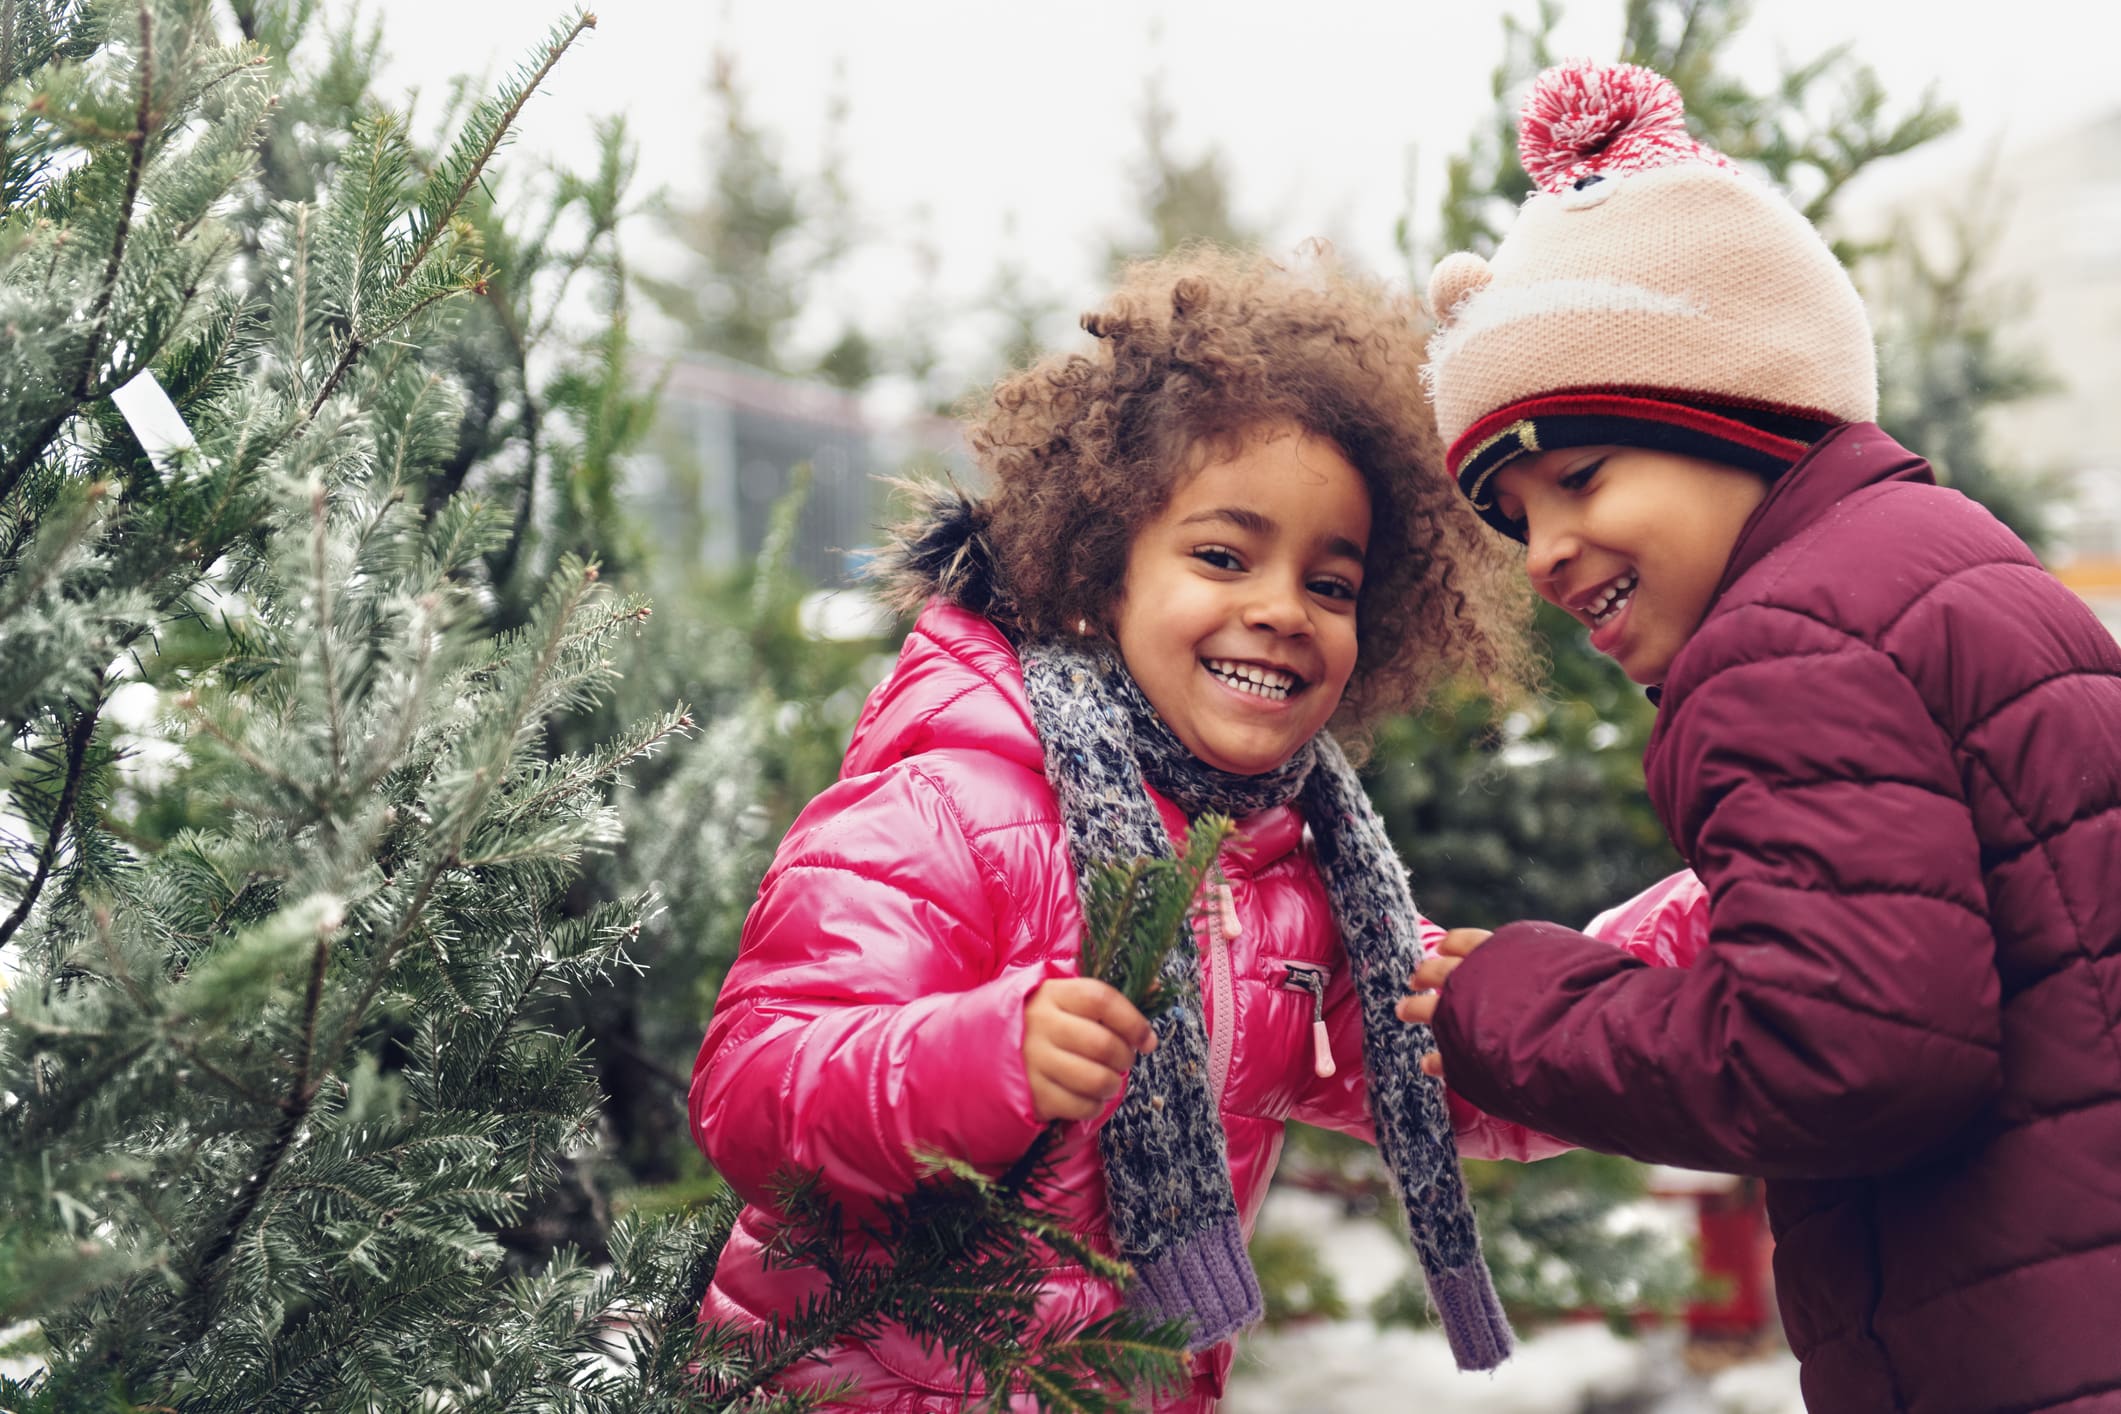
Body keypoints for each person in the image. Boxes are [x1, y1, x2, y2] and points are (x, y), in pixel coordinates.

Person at [688, 247, 1701, 1411]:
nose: (1279, 608)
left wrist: (1725, 908)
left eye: (1330, 584)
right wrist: (981, 1055)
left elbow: (1462, 1063)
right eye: (1223, 556)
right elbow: (753, 1091)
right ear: (1098, 570)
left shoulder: (1292, 874)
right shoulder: (952, 805)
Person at [1399, 59, 2121, 1414]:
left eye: (1580, 477)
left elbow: (1843, 1056)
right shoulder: (1943, 557)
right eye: (1512, 517)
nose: (1546, 553)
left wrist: (1518, 1004)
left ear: (1730, 413)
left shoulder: (1780, 643)